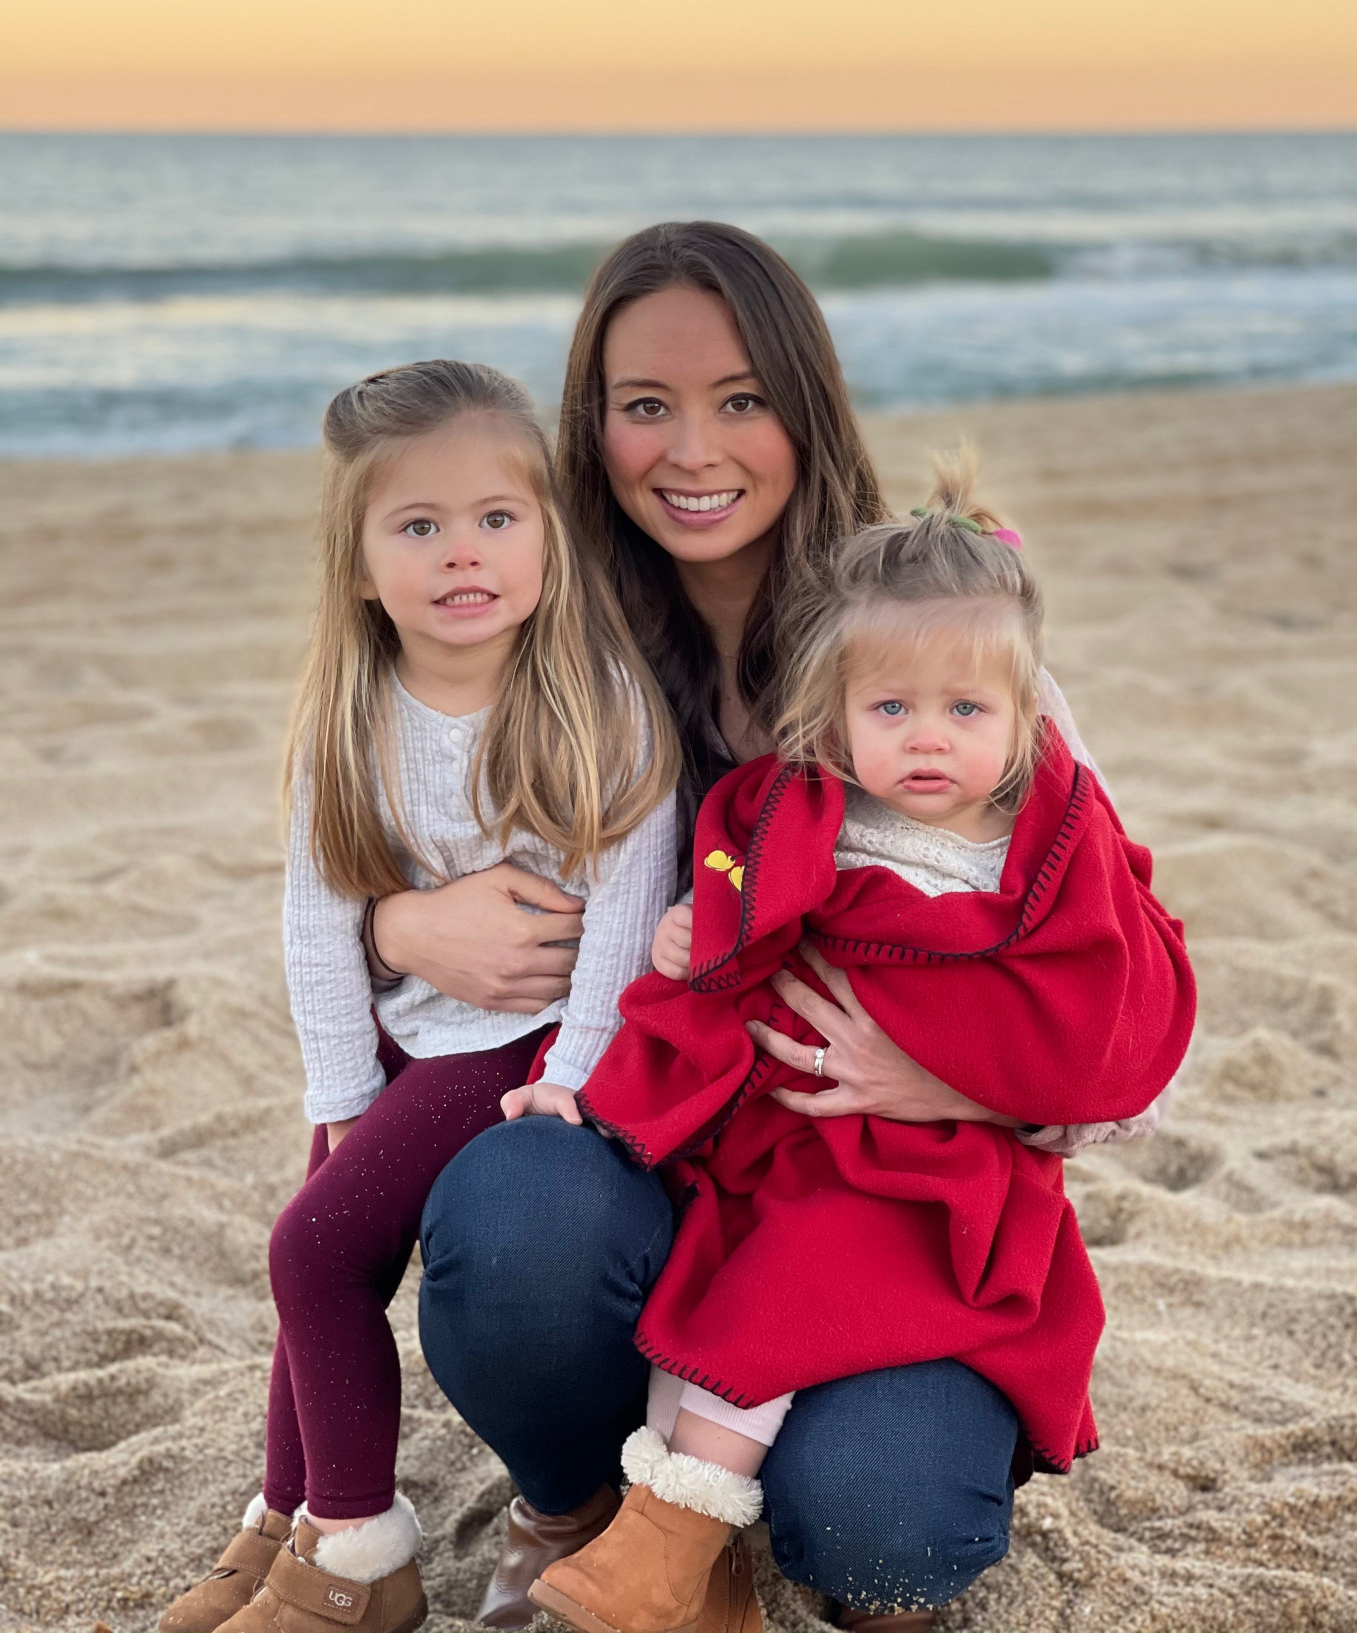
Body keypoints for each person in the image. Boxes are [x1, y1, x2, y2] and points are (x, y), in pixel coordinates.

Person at [383, 224, 1140, 1629]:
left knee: (883, 1543)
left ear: (806, 403)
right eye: (645, 406)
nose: (693, 448)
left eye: (742, 399)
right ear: (591, 424)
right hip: (652, 1160)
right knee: (513, 1224)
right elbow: (383, 839)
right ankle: (580, 1506)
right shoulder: (543, 639)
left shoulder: (922, 648)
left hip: (880, 1202)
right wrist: (396, 926)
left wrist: (959, 1077)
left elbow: (1119, 998)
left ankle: (754, 1508)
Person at [527, 463, 1195, 1633]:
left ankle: (682, 1531)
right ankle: (674, 1551)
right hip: (793, 1139)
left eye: (965, 710)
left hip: (939, 1178)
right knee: (726, 1274)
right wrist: (702, 934)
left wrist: (953, 1074)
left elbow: (1113, 1015)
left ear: (1026, 713)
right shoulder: (809, 810)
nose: (927, 738)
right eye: (891, 710)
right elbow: (740, 923)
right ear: (836, 713)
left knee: (800, 1285)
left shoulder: (1047, 848)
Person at [158, 361, 679, 1633]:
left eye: (499, 518)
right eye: (420, 525)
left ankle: (358, 1558)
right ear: (358, 560)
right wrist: (338, 1091)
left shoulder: (596, 703)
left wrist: (580, 1068)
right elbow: (318, 916)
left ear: (551, 539)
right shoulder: (348, 717)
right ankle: (281, 1523)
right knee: (321, 1239)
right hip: (409, 1036)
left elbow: (624, 913)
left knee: (310, 1251)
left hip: (531, 1044)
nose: (464, 553)